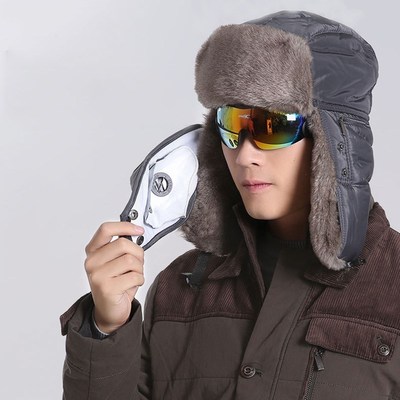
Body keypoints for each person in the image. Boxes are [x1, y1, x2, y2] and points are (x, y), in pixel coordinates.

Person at [60, 10, 400, 400]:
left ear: (336, 143)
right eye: (233, 125)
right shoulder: (180, 289)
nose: (246, 155)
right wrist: (107, 327)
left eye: (273, 126)